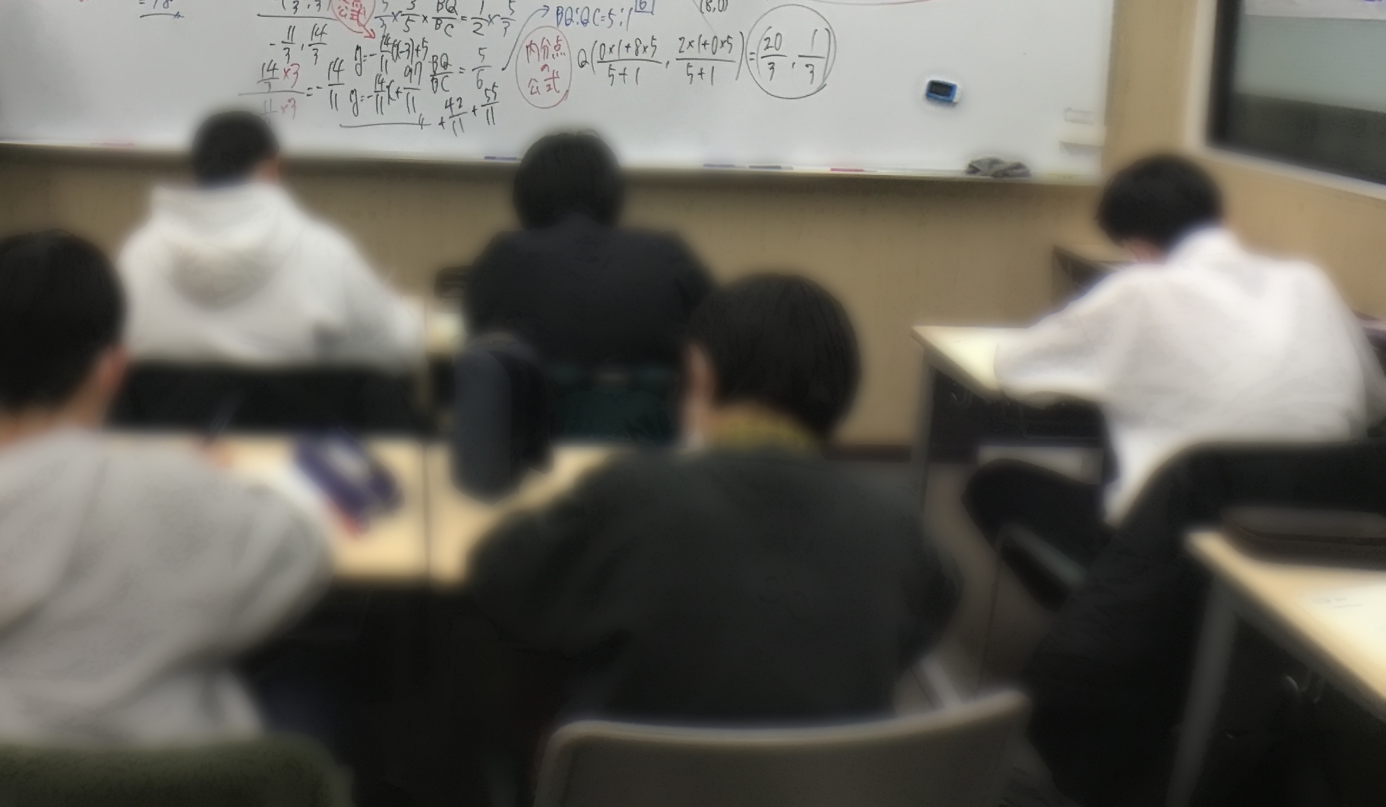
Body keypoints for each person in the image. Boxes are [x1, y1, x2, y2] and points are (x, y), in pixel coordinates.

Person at [0, 230, 332, 747]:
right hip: (149, 780)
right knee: (305, 689)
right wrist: (207, 483)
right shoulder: (173, 498)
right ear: (113, 371)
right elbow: (300, 555)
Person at [468, 275, 958, 724]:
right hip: (831, 781)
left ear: (701, 375)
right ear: (842, 395)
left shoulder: (632, 493)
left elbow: (500, 576)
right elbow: (934, 607)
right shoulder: (895, 522)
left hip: (639, 780)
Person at [966, 154, 1386, 595]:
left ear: (1137, 246)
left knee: (996, 485)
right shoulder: (1308, 283)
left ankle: (1096, 615)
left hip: (1170, 541)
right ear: (1222, 219)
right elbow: (1374, 404)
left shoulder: (1140, 291)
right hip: (1315, 537)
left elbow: (1016, 369)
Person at [119, 111, 418, 365]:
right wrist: (393, 306)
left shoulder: (138, 255)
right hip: (295, 418)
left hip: (171, 419)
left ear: (194, 170)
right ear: (274, 167)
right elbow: (399, 347)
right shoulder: (323, 251)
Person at [464, 131, 713, 372]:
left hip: (533, 401)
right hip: (653, 402)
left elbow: (479, 341)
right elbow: (715, 336)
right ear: (613, 191)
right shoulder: (667, 256)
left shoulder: (504, 260)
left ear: (525, 193)